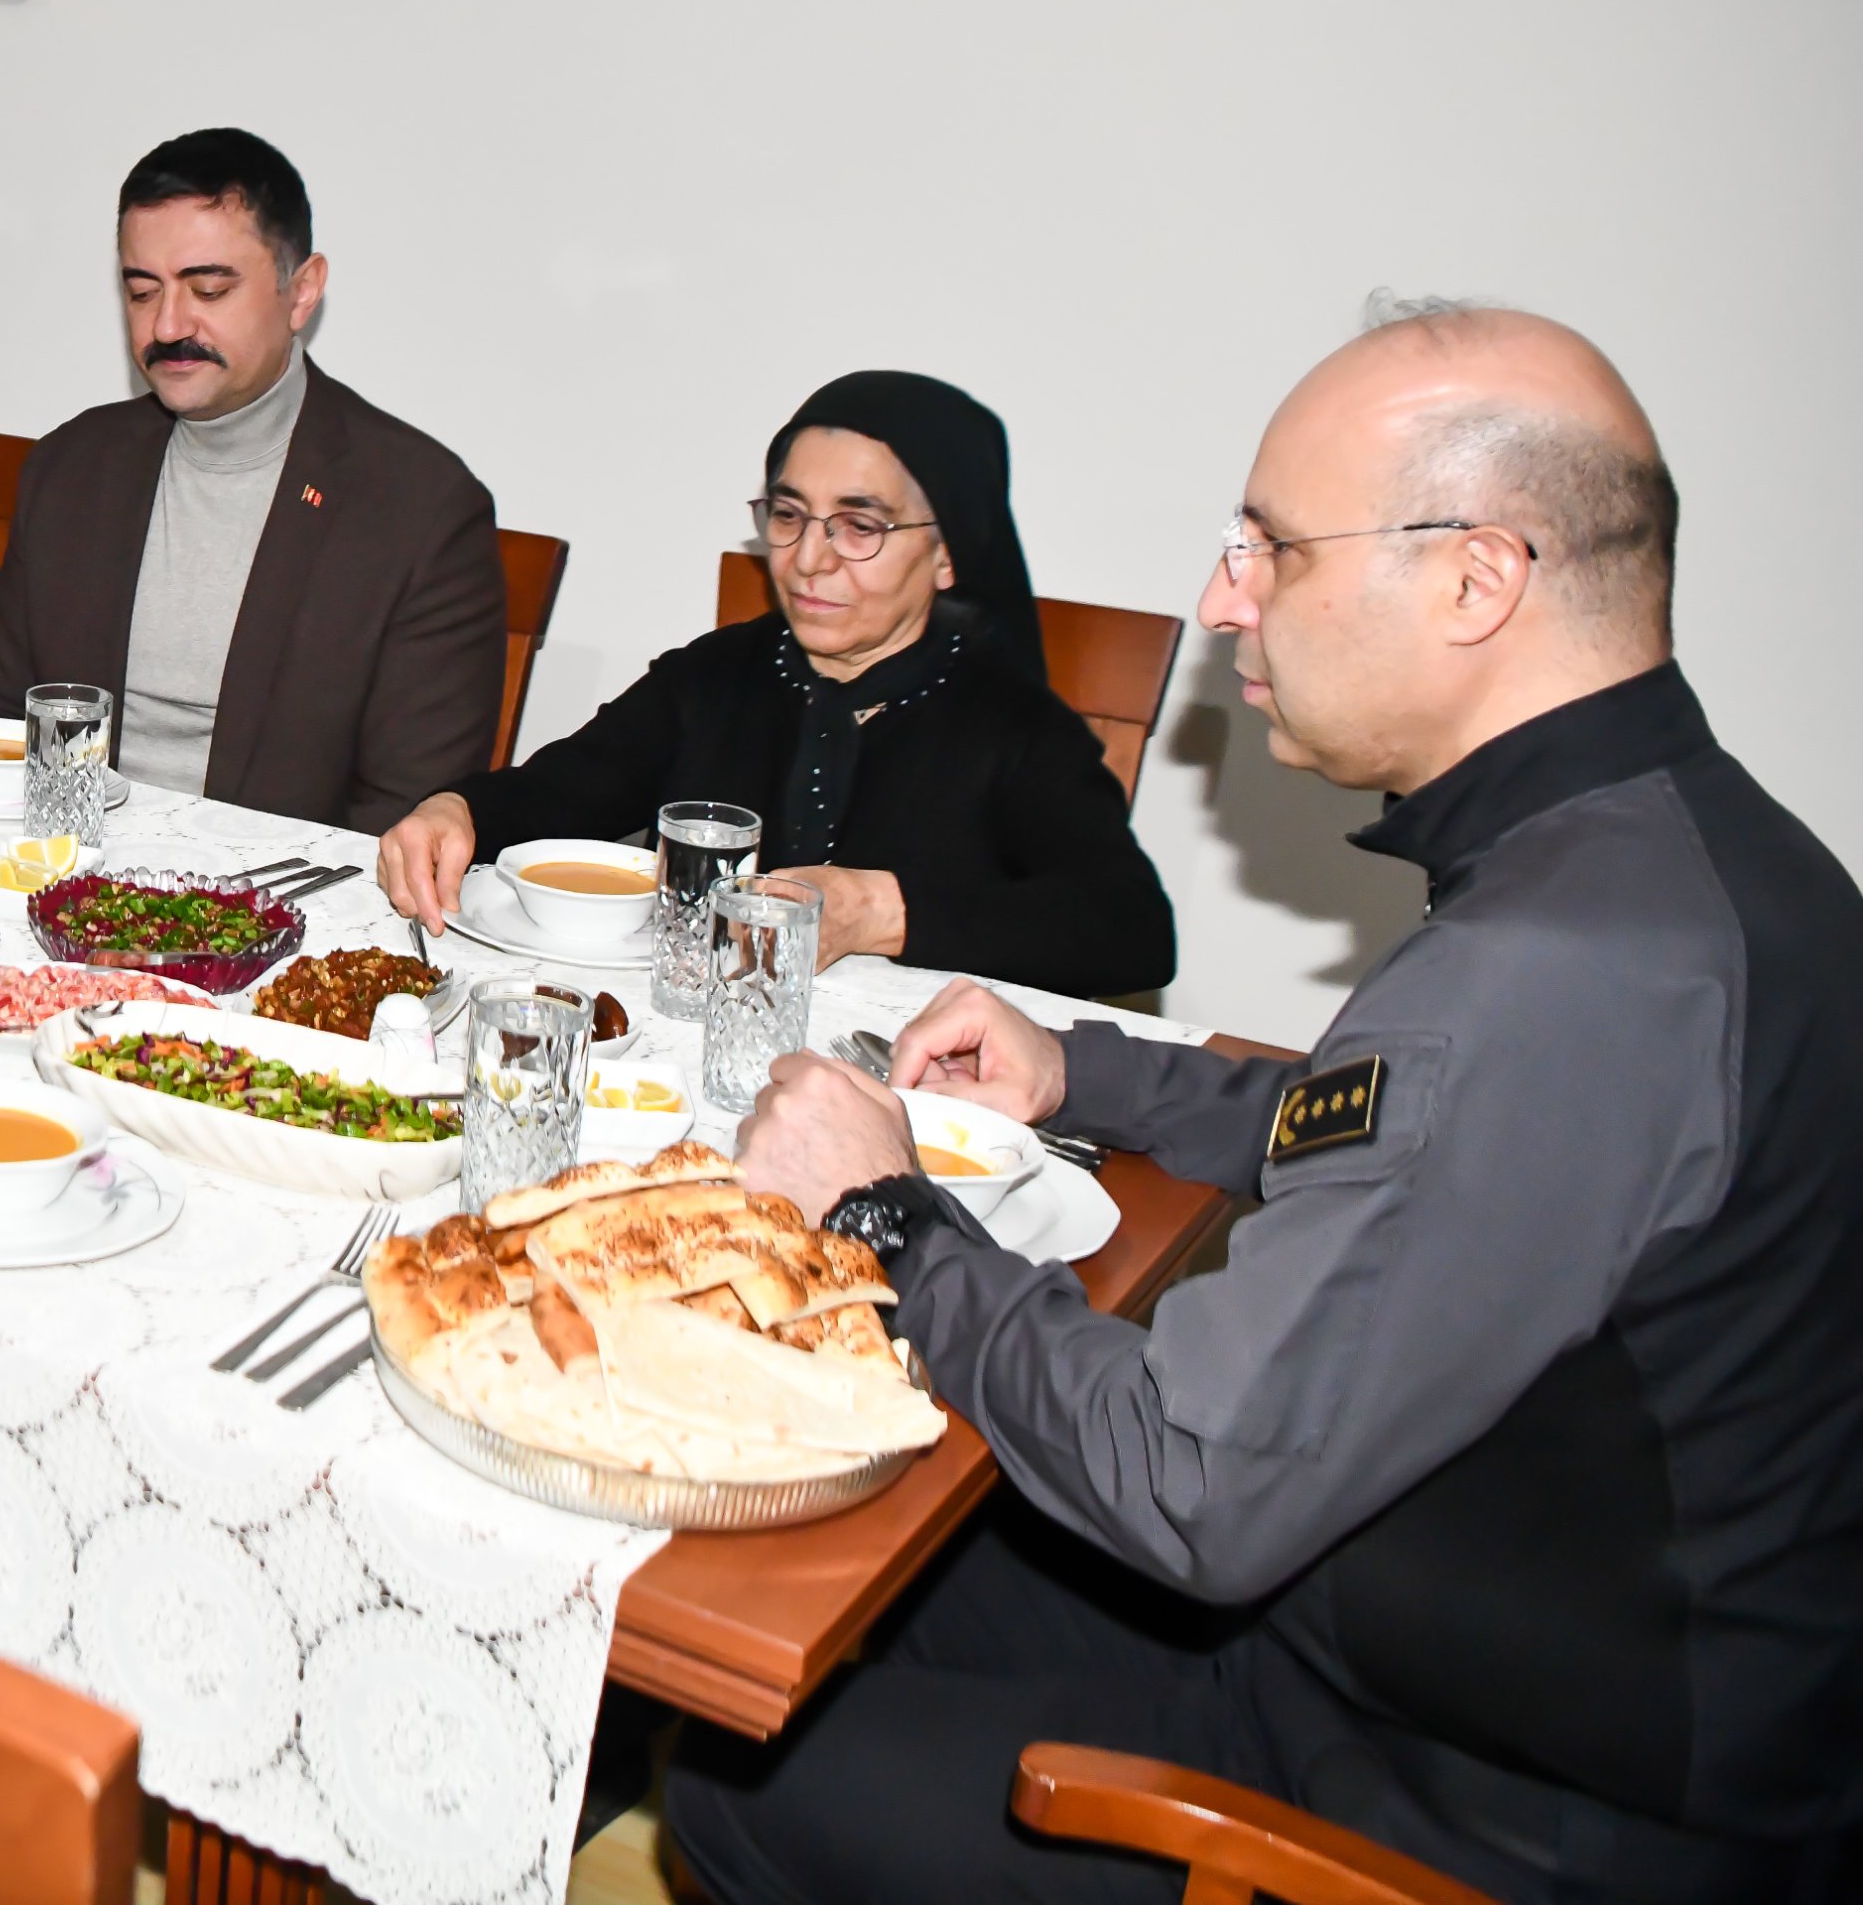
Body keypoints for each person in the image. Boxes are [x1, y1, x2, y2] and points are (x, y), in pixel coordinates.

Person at [684, 304, 1863, 1905]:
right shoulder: (1674, 862)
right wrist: (1085, 1065)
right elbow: (1388, 1126)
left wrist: (887, 1210)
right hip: (1477, 1633)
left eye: (1274, 547)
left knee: (747, 1774)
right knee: (827, 1576)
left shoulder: (1553, 973)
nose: (1223, 596)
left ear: (1477, 579)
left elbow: (1184, 1473)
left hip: (1484, 1801)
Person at [375, 372, 1176, 999]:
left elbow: (1131, 927)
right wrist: (459, 810)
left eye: (859, 526)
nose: (809, 559)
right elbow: (561, 791)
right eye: (789, 515)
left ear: (948, 554)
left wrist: (879, 910)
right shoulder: (716, 676)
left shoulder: (1015, 727)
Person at [0, 129, 509, 832]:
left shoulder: (420, 511)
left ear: (301, 291)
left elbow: (405, 818)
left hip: (278, 888)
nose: (167, 325)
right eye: (141, 291)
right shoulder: (74, 467)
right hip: (58, 864)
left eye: (209, 289)